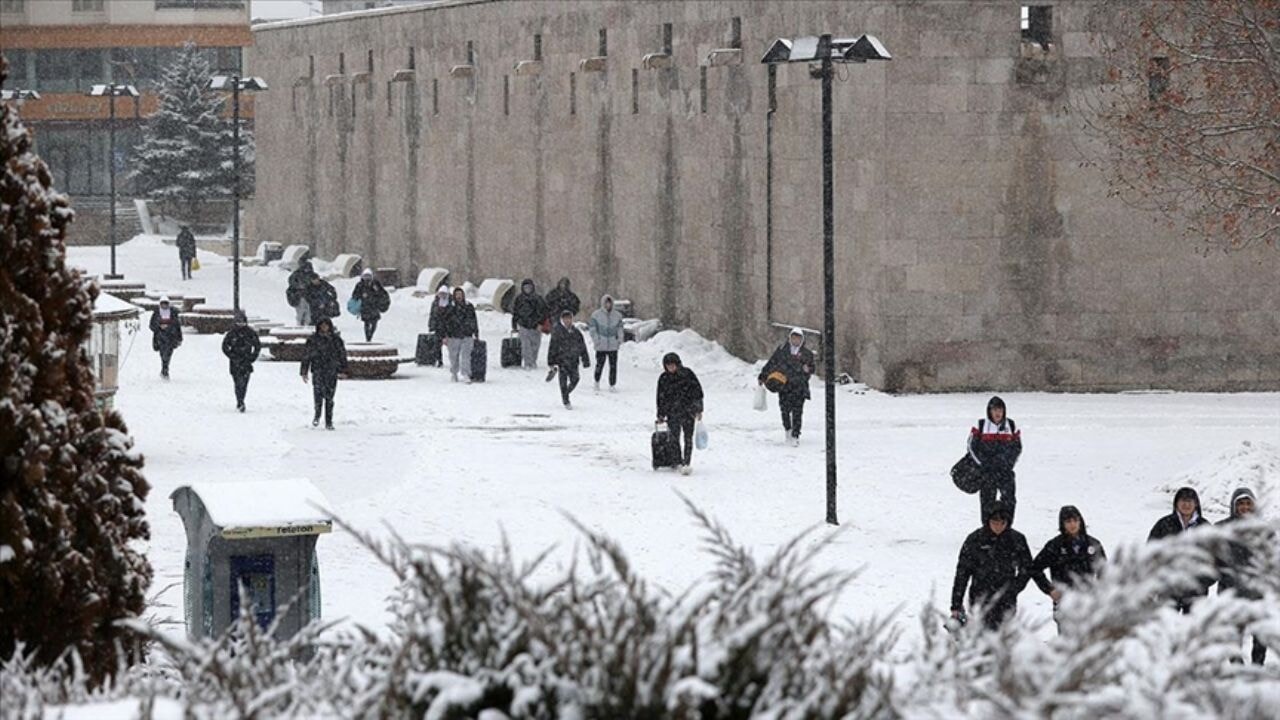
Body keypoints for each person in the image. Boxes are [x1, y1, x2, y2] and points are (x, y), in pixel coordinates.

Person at [950, 502, 1035, 630]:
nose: (998, 526)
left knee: (1002, 638)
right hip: (980, 597)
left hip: (1006, 599)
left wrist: (1015, 588)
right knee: (981, 637)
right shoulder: (974, 540)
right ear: (988, 520)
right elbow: (962, 573)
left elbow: (1027, 568)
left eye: (1002, 523)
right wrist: (956, 604)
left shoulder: (1017, 539)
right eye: (995, 522)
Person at [1027, 505, 1107, 631]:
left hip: (1088, 602)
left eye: (1075, 520)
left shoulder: (1093, 544)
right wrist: (1050, 589)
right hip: (1064, 602)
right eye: (1068, 521)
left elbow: (1104, 571)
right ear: (1062, 524)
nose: (1072, 524)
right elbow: (1034, 568)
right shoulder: (1055, 546)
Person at [1218, 487, 1267, 665]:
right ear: (1233, 506)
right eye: (1241, 504)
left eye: (1248, 503)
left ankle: (1257, 668)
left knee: (1261, 635)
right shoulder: (1222, 528)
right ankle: (1238, 670)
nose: (1245, 507)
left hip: (1258, 592)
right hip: (1230, 592)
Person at [1147, 486, 1214, 613]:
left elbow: (1215, 558)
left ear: (1196, 504)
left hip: (1196, 591)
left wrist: (1203, 582)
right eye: (1183, 501)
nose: (1186, 504)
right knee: (1167, 629)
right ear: (1176, 503)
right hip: (1168, 588)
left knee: (1193, 630)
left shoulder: (1204, 527)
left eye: (1190, 501)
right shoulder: (1164, 524)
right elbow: (1151, 554)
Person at [968, 396, 1022, 525]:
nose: (998, 413)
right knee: (987, 500)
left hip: (1005, 471)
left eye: (1000, 410)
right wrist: (984, 464)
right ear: (989, 411)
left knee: (1009, 500)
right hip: (988, 472)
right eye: (995, 410)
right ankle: (987, 527)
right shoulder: (981, 425)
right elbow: (972, 447)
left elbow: (1017, 447)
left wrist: (1008, 463)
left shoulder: (1011, 425)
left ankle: (1007, 526)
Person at [758, 328, 815, 446]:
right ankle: (788, 429)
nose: (795, 340)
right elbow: (772, 363)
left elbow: (812, 368)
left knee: (797, 412)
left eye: (798, 338)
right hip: (784, 386)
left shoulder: (807, 354)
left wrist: (807, 369)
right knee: (784, 410)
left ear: (802, 340)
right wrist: (763, 376)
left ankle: (795, 434)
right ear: (790, 338)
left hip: (799, 386)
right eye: (793, 338)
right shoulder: (782, 350)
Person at [656, 352, 704, 476]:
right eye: (668, 366)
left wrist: (698, 409)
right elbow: (660, 398)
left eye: (673, 365)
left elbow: (697, 392)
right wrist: (661, 414)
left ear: (678, 364)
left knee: (688, 438)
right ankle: (677, 460)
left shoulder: (687, 374)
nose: (671, 368)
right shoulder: (664, 378)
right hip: (672, 412)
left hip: (688, 412)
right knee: (674, 438)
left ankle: (686, 462)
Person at [300, 317, 348, 430]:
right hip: (318, 370)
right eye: (322, 325)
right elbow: (306, 356)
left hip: (331, 371)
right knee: (318, 394)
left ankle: (329, 420)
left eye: (326, 325)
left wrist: (343, 369)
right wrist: (304, 371)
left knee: (329, 397)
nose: (324, 327)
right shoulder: (313, 340)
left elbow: (342, 355)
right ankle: (317, 414)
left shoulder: (336, 340)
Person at [547, 310, 590, 408]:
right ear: (562, 320)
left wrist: (585, 359)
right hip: (562, 360)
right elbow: (552, 347)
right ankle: (565, 400)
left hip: (574, 360)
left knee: (575, 379)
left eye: (569, 318)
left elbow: (582, 346)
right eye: (565, 319)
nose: (567, 321)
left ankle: (566, 392)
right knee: (563, 381)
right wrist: (551, 361)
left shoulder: (576, 332)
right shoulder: (557, 332)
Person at [221, 310, 261, 412]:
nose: (241, 324)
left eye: (242, 322)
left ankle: (241, 400)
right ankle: (239, 400)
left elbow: (257, 346)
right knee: (237, 382)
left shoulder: (250, 332)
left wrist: (253, 357)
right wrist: (232, 355)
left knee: (244, 383)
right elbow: (225, 346)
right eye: (239, 322)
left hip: (246, 361)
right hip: (235, 362)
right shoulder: (232, 333)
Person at [588, 294, 624, 392]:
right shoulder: (596, 315)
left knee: (613, 366)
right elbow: (592, 329)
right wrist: (597, 340)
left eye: (610, 303)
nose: (608, 305)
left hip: (613, 345)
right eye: (606, 303)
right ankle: (596, 381)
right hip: (601, 345)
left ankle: (612, 384)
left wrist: (619, 339)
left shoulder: (617, 316)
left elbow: (620, 328)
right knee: (600, 364)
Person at [510, 278, 548, 369]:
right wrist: (514, 323)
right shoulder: (519, 299)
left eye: (529, 287)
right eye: (525, 287)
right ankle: (528, 363)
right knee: (525, 345)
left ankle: (533, 361)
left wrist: (541, 323)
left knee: (535, 345)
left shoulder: (538, 299)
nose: (527, 289)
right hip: (524, 325)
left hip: (536, 326)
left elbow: (544, 312)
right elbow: (515, 312)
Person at [443, 286, 479, 383]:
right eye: (457, 294)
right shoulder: (450, 307)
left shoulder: (469, 306)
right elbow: (445, 322)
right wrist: (445, 335)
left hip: (467, 334)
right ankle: (454, 373)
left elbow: (474, 320)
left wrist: (476, 332)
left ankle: (466, 373)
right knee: (453, 357)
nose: (459, 296)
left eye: (460, 294)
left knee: (466, 356)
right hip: (453, 335)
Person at [351, 268, 391, 341]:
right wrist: (360, 297)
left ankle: (371, 335)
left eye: (368, 276)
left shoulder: (376, 284)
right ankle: (368, 337)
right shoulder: (360, 285)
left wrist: (380, 299)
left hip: (374, 306)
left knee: (374, 322)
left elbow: (382, 293)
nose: (367, 278)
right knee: (366, 322)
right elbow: (355, 295)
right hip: (365, 307)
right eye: (365, 276)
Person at [149, 296, 183, 379]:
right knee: (162, 353)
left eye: (166, 304)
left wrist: (179, 337)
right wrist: (159, 326)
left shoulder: (173, 313)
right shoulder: (156, 313)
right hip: (160, 336)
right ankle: (164, 369)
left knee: (168, 353)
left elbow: (177, 325)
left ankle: (165, 369)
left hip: (171, 336)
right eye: (162, 304)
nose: (164, 306)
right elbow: (151, 325)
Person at [287, 259, 318, 326]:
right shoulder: (297, 275)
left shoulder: (309, 275)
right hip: (300, 297)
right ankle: (301, 324)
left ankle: (305, 323)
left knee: (307, 312)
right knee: (302, 312)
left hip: (308, 297)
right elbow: (292, 283)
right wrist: (299, 288)